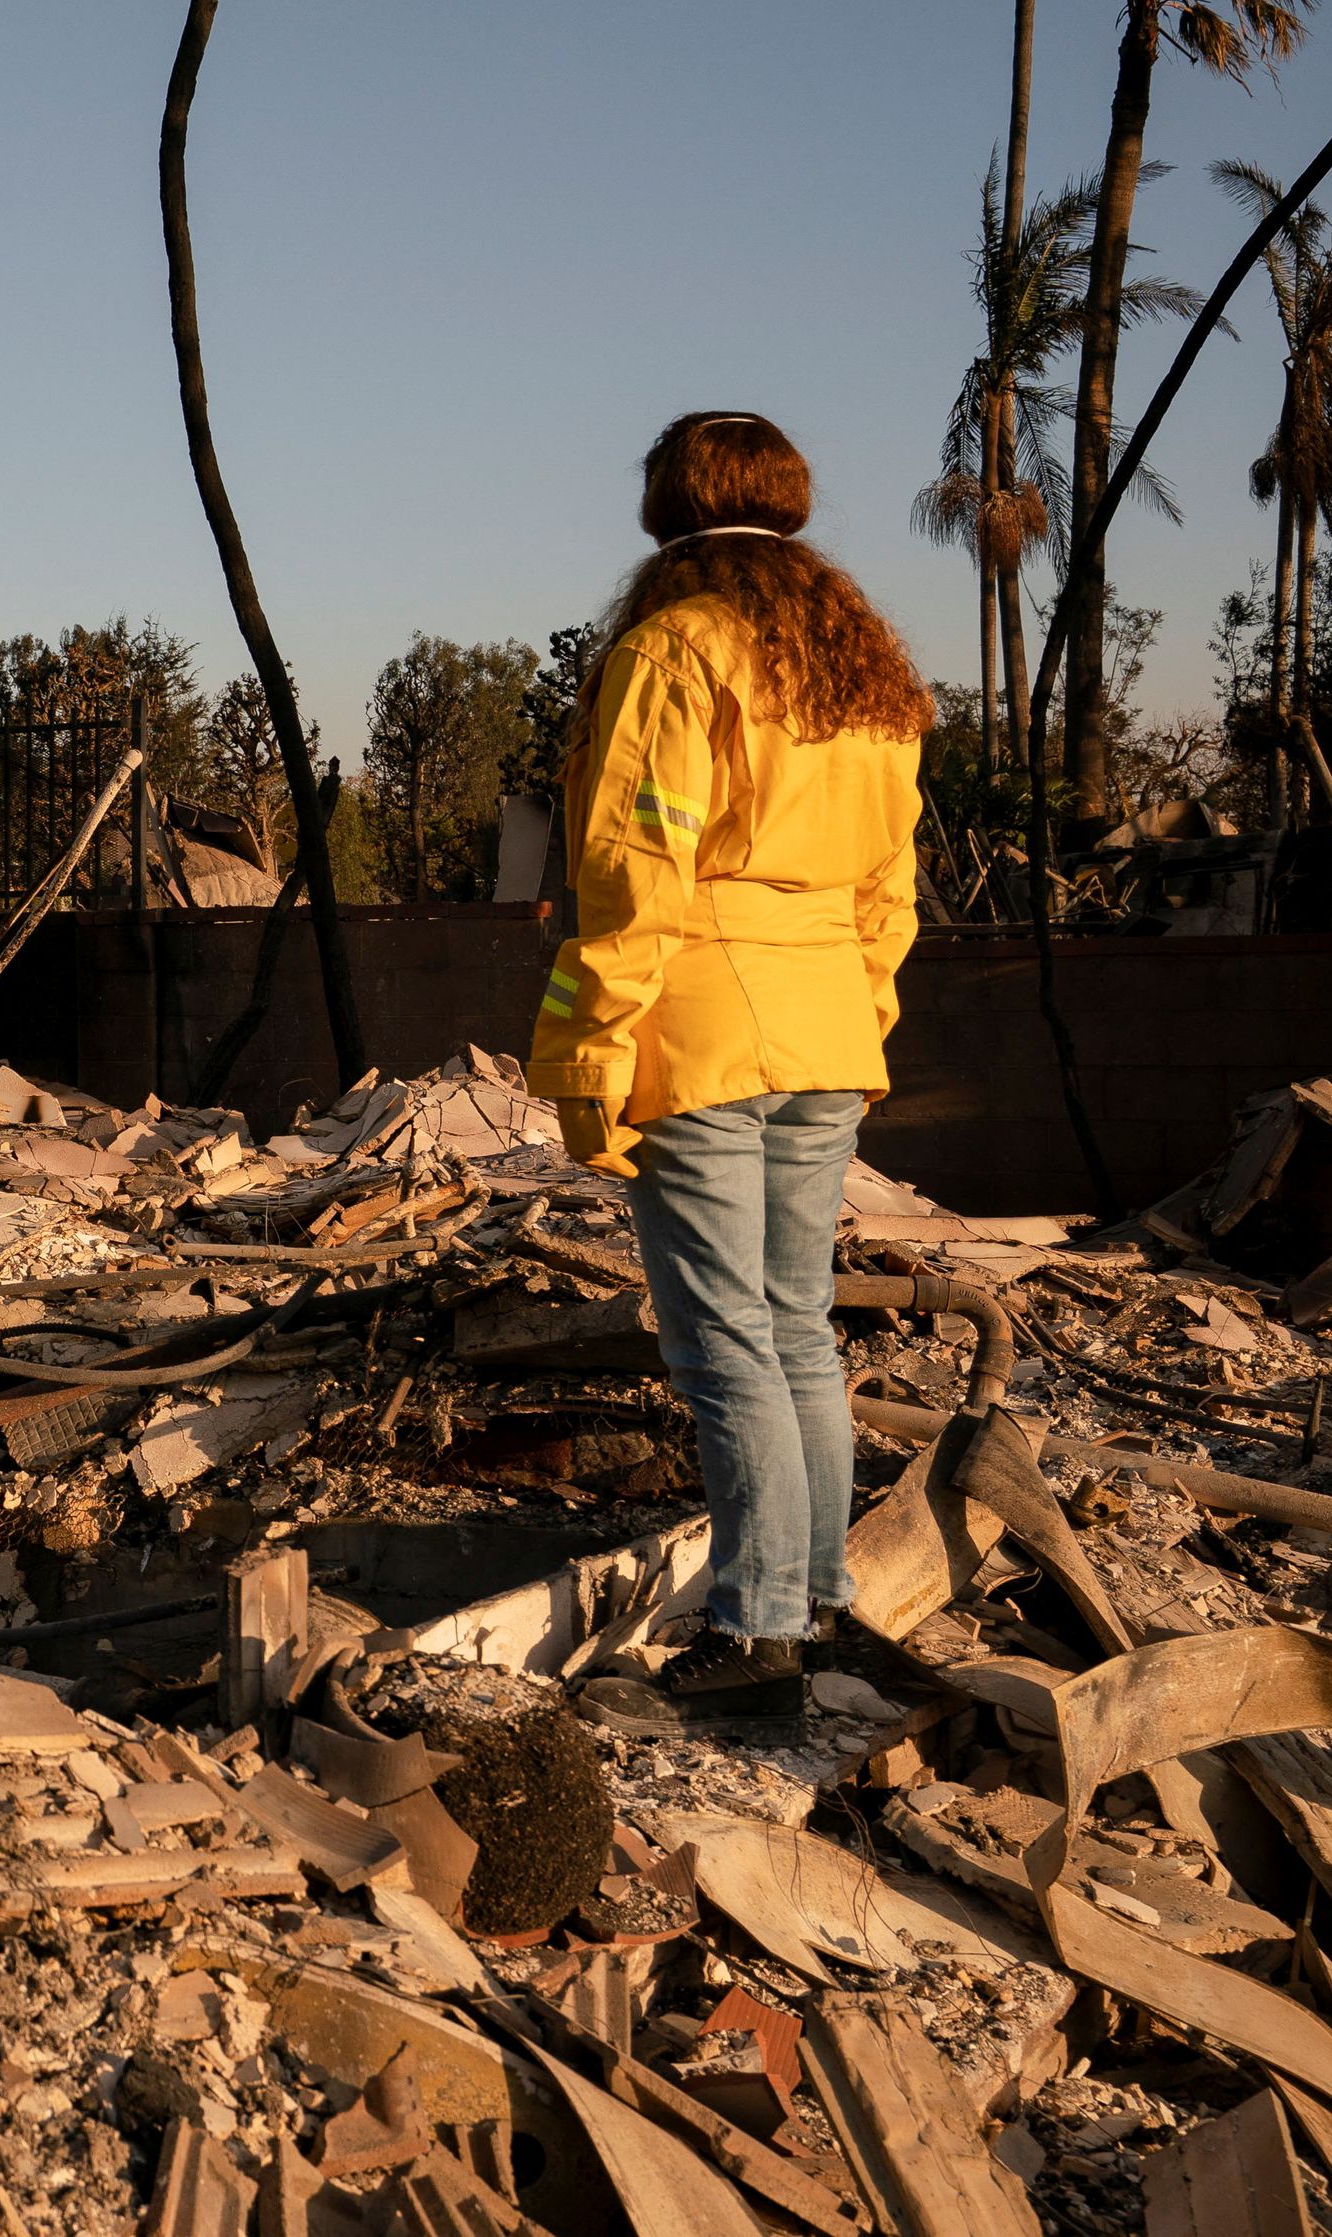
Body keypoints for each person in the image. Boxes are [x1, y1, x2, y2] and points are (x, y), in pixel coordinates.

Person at [528, 413, 930, 1732]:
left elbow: (634, 867)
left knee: (722, 1345)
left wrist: (591, 1046)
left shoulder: (671, 647)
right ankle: (813, 1605)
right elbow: (888, 890)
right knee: (796, 1325)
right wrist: (862, 1022)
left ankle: (754, 1632)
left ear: (666, 512)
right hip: (826, 1029)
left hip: (702, 1024)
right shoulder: (863, 671)